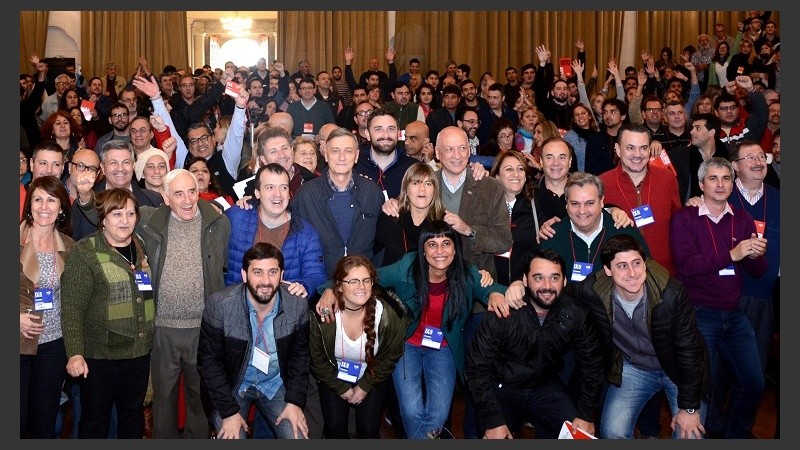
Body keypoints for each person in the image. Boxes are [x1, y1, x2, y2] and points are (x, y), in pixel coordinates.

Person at [317, 220, 510, 439]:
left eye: (446, 243)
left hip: (443, 348)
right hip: (407, 346)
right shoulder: (407, 267)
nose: (439, 251)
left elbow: (494, 289)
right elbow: (368, 277)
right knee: (411, 411)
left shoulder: (467, 274)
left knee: (438, 414)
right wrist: (330, 290)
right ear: (423, 250)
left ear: (455, 250)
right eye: (432, 244)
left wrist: (494, 292)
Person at [669, 157, 767, 439]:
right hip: (699, 313)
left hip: (734, 313)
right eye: (713, 178)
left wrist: (756, 255)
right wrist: (732, 255)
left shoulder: (741, 217)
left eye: (726, 178)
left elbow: (757, 271)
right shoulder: (685, 219)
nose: (720, 184)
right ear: (701, 185)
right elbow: (687, 265)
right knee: (702, 387)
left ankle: (733, 435)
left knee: (753, 383)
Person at [575, 235, 710, 439]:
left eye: (637, 263)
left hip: (677, 370)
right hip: (633, 369)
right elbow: (557, 295)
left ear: (645, 265)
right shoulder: (591, 292)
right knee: (613, 433)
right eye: (621, 266)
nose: (632, 273)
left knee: (689, 436)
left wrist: (690, 409)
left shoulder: (672, 294)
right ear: (608, 271)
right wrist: (518, 288)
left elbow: (690, 351)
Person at [466, 249, 604, 439]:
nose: (547, 286)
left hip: (543, 386)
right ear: (525, 280)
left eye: (554, 278)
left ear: (564, 281)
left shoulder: (576, 313)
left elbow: (592, 364)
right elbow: (476, 367)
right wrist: (493, 420)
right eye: (538, 278)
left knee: (580, 436)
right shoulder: (503, 312)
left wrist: (586, 414)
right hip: (501, 387)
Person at [61, 188, 154, 438]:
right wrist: (75, 354)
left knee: (132, 415)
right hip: (100, 357)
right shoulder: (85, 252)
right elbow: (71, 307)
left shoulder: (141, 246)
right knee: (95, 420)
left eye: (130, 213)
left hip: (138, 353)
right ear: (103, 219)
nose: (125, 220)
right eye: (117, 214)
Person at [197, 242, 310, 439]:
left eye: (273, 272)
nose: (266, 281)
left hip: (275, 385)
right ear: (244, 275)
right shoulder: (220, 305)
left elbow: (301, 358)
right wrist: (229, 412)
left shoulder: (297, 306)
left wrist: (294, 402)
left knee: (297, 437)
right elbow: (209, 363)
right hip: (233, 387)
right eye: (258, 272)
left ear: (282, 276)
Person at [309, 255, 408, 438]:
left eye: (366, 280)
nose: (361, 287)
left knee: (368, 429)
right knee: (334, 428)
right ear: (338, 285)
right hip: (333, 374)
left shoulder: (388, 315)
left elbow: (389, 357)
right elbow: (318, 361)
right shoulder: (323, 316)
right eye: (353, 281)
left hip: (373, 374)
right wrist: (342, 389)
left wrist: (364, 386)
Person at [20, 176, 75, 438]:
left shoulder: (69, 247)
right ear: (29, 205)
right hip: (18, 344)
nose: (44, 206)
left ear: (61, 207)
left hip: (54, 346)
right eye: (38, 199)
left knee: (44, 421)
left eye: (51, 200)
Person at [291, 127, 384, 277]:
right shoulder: (306, 195)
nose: (342, 157)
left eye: (348, 151)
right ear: (326, 155)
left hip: (361, 284)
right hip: (319, 283)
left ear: (356, 156)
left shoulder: (372, 193)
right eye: (335, 151)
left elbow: (382, 244)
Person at [374, 162, 445, 267]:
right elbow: (368, 253)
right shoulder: (390, 219)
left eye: (428, 183)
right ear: (406, 189)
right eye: (415, 183)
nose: (422, 189)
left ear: (435, 190)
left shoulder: (444, 223)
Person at [489, 150, 540, 286]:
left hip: (526, 288)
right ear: (497, 175)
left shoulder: (536, 205)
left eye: (520, 169)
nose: (516, 174)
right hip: (492, 289)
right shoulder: (486, 207)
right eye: (509, 169)